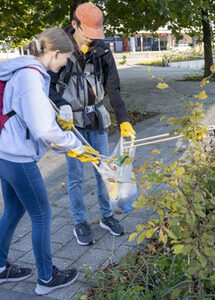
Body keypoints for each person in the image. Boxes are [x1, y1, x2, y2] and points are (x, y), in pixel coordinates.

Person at [0, 28, 98, 295]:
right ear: (55, 53)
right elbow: (44, 130)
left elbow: (31, 116)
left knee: (14, 210)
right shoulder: (31, 78)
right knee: (42, 214)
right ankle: (46, 277)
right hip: (18, 157)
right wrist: (77, 147)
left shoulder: (21, 70)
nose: (65, 63)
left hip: (6, 153)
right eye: (65, 58)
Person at [48, 2, 136, 246]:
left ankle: (107, 217)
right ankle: (80, 221)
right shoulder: (59, 48)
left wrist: (124, 120)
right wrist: (61, 107)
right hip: (72, 124)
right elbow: (45, 84)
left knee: (104, 171)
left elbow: (113, 88)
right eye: (88, 34)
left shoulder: (102, 51)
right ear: (74, 24)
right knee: (75, 175)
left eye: (97, 35)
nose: (92, 40)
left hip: (96, 118)